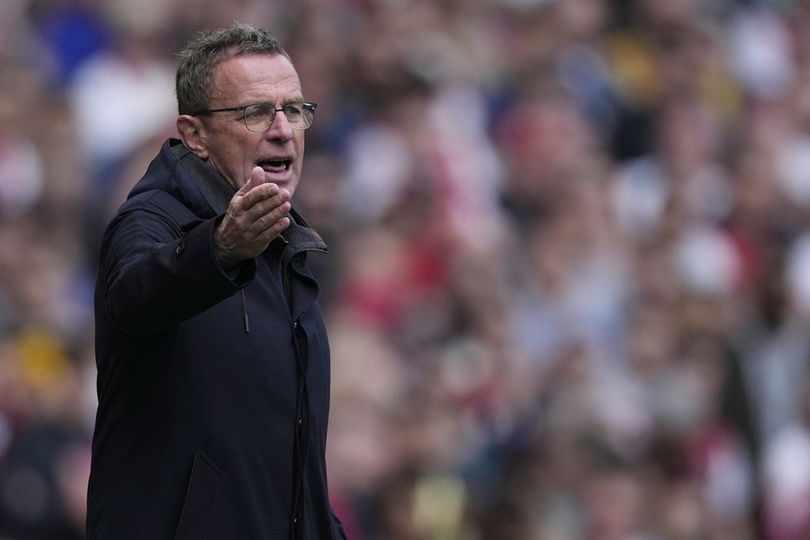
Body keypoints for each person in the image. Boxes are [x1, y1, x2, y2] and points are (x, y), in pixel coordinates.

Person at [86, 22, 347, 539]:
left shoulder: (283, 242)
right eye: (255, 112)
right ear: (194, 135)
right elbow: (134, 296)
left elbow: (292, 474)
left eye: (294, 110)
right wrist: (221, 249)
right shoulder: (150, 223)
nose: (283, 129)